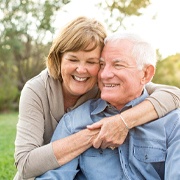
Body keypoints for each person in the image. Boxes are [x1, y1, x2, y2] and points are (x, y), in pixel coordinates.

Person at [14, 16, 180, 180]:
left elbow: (173, 94)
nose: (82, 69)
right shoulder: (44, 96)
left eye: (93, 62)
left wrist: (122, 121)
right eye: (73, 59)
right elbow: (26, 165)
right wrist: (99, 132)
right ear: (58, 59)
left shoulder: (104, 83)